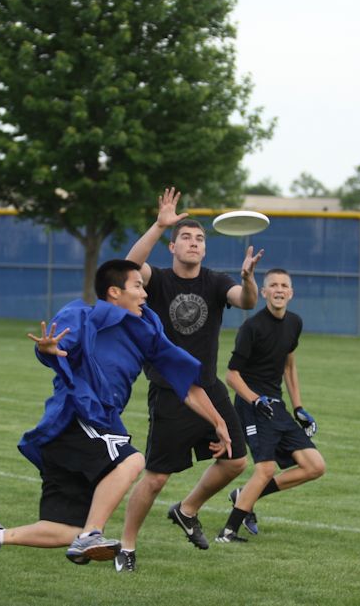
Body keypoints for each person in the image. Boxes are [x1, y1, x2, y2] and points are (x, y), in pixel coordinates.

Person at [0, 259, 231, 569]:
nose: (145, 293)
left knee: (66, 529)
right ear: (114, 292)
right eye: (137, 286)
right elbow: (56, 346)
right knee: (133, 460)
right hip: (77, 417)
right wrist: (46, 349)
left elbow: (187, 384)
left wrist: (218, 421)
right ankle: (92, 535)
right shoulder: (83, 315)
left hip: (81, 433)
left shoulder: (146, 328)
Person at [120, 187, 261, 566]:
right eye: (185, 237)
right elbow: (128, 266)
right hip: (170, 391)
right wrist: (159, 224)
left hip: (209, 387)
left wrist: (249, 278)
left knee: (235, 461)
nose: (194, 243)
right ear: (172, 246)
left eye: (199, 239)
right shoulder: (158, 280)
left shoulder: (216, 282)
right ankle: (127, 546)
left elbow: (247, 300)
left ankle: (187, 510)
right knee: (156, 478)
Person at [218, 268, 324, 543]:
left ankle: (244, 496)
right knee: (265, 469)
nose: (279, 289)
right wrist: (255, 399)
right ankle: (228, 533)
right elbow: (232, 376)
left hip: (276, 405)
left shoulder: (295, 323)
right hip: (251, 405)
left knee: (314, 465)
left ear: (291, 293)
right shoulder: (252, 327)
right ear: (264, 292)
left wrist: (298, 407)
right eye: (273, 285)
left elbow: (289, 366)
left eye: (284, 285)